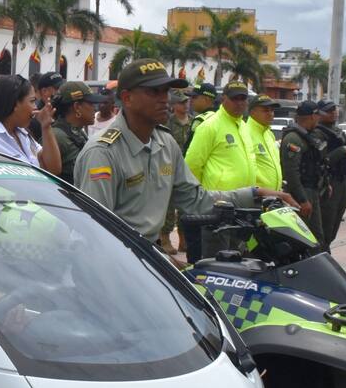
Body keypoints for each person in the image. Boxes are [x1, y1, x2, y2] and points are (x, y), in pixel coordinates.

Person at [74, 59, 297, 250]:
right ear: (127, 98)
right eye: (154, 92)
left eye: (166, 91)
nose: (165, 99)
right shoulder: (103, 153)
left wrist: (255, 194)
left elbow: (196, 200)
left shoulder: (165, 143)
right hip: (116, 262)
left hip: (146, 255)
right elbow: (96, 230)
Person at [0, 76, 62, 173]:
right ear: (15, 103)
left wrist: (46, 127)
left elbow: (53, 168)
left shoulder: (23, 134)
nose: (35, 107)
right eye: (32, 101)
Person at [185, 81, 256, 190]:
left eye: (243, 98)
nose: (239, 103)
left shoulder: (244, 127)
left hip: (247, 199)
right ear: (223, 99)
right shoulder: (209, 126)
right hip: (218, 201)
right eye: (234, 98)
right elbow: (192, 165)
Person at [280, 101, 328, 247]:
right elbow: (291, 172)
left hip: (311, 191)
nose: (319, 119)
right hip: (302, 193)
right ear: (312, 116)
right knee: (303, 237)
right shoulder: (293, 138)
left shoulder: (307, 136)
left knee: (316, 237)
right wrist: (302, 199)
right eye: (317, 116)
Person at [314, 99, 346, 249]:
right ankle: (322, 251)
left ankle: (326, 246)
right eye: (329, 111)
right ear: (320, 113)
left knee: (337, 217)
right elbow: (323, 160)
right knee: (327, 221)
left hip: (342, 181)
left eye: (334, 110)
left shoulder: (337, 131)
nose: (334, 113)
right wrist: (342, 151)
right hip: (328, 182)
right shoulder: (318, 133)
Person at [50, 80, 105, 184]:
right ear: (77, 107)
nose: (95, 108)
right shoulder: (56, 136)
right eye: (91, 103)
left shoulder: (78, 132)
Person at [160, 88, 194, 253]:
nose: (185, 105)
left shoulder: (193, 122)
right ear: (173, 105)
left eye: (186, 102)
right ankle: (165, 239)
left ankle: (183, 239)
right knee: (168, 206)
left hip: (187, 168)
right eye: (181, 102)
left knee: (185, 206)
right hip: (168, 167)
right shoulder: (168, 122)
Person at [246, 95, 283, 190]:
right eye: (266, 110)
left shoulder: (269, 134)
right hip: (256, 197)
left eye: (272, 110)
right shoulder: (245, 133)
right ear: (252, 112)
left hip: (272, 197)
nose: (271, 114)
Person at [185, 82, 218, 150]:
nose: (191, 100)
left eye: (194, 97)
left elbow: (190, 149)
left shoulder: (200, 120)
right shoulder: (221, 116)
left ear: (206, 99)